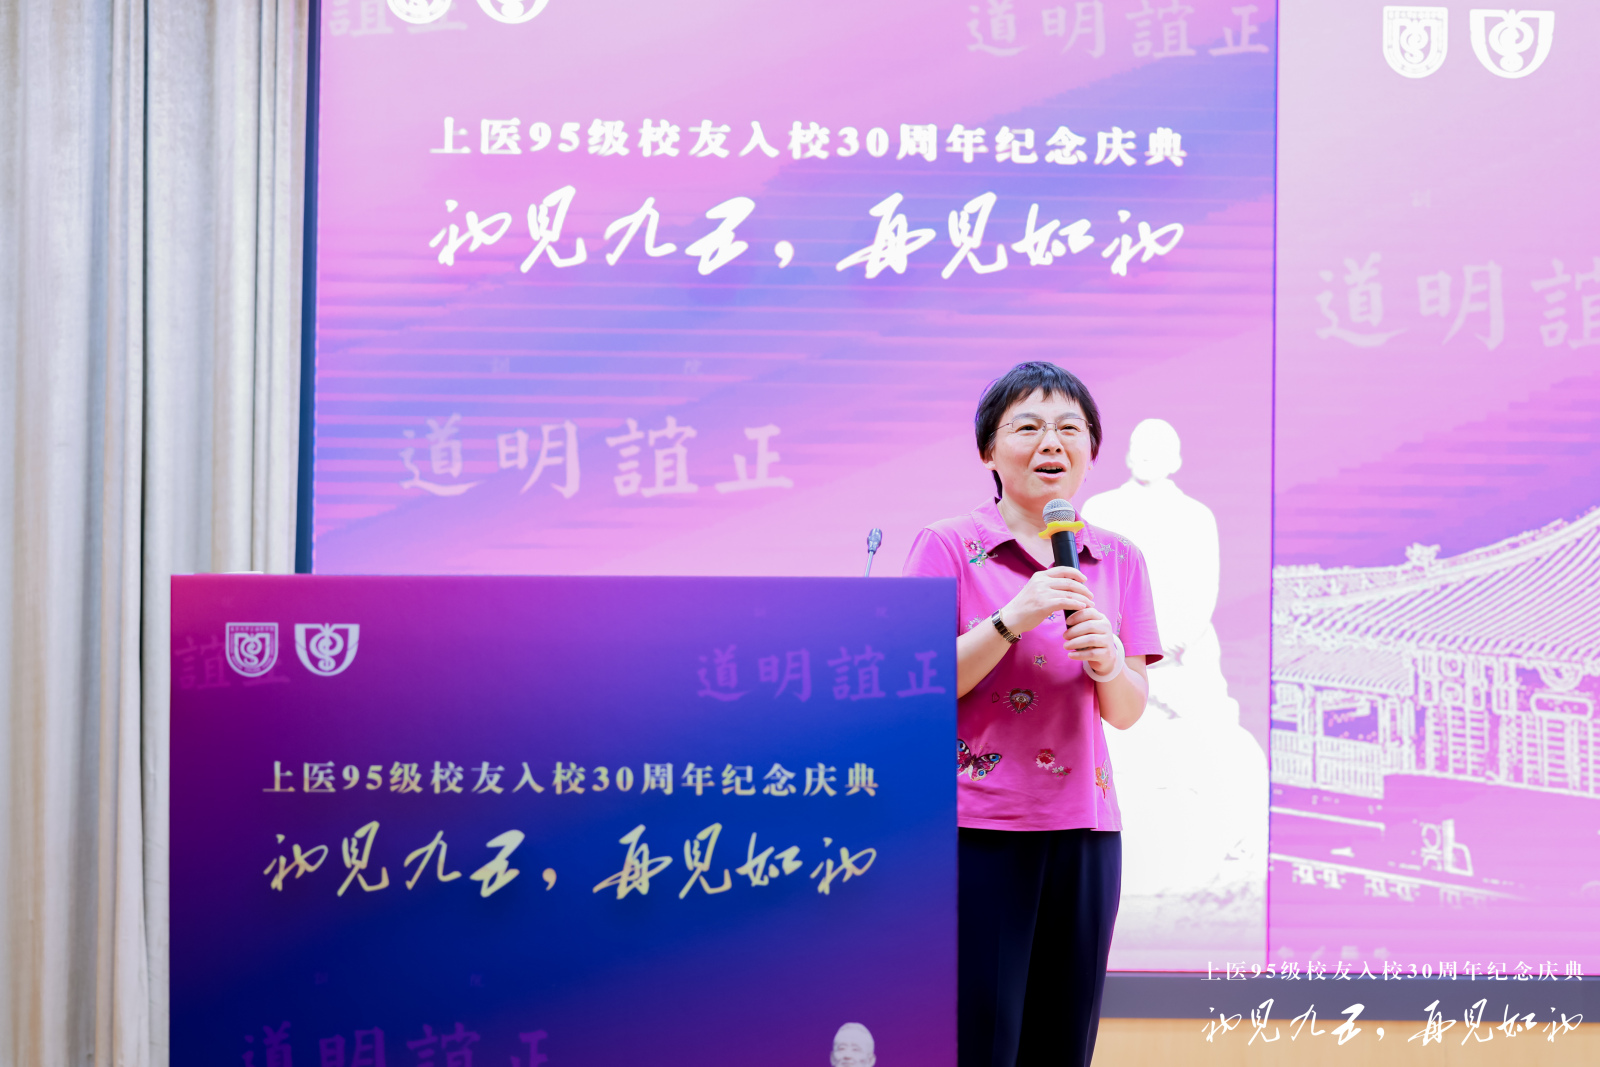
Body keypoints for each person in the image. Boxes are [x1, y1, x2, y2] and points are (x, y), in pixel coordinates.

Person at [903, 362, 1161, 1067]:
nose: (1052, 441)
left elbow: (1127, 710)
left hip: (1087, 830)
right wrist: (1010, 619)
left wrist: (1110, 662)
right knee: (981, 1041)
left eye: (1070, 427)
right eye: (1028, 426)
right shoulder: (948, 546)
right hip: (976, 827)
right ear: (988, 450)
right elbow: (915, 683)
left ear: (1091, 452)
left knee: (1063, 1041)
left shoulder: (1118, 558)